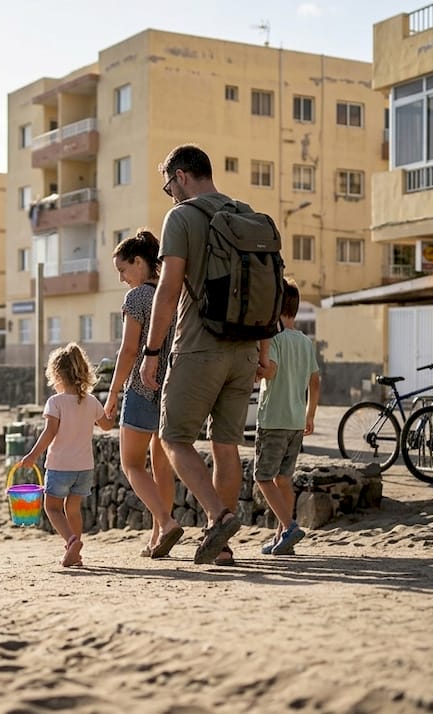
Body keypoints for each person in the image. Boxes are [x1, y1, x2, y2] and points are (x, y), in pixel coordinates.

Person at [139, 144, 265, 565]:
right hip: (245, 348)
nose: (169, 194)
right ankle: (221, 547)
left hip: (199, 345)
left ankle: (219, 516)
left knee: (173, 438)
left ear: (181, 176)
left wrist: (152, 351)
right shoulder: (245, 212)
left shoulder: (182, 216)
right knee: (225, 445)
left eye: (168, 186)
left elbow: (168, 288)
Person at [103, 229, 184, 559]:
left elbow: (128, 350)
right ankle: (156, 537)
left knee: (132, 464)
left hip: (141, 388)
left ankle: (165, 522)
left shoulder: (137, 298)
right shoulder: (173, 294)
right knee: (161, 467)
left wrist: (112, 393)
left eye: (123, 270)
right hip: (172, 389)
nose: (121, 279)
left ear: (139, 262)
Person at [19, 343, 116, 568]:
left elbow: (50, 432)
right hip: (84, 468)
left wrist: (32, 455)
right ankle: (75, 553)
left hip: (60, 466)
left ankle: (71, 541)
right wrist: (112, 412)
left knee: (52, 508)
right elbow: (106, 426)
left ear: (57, 375)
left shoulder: (56, 402)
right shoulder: (91, 401)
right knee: (72, 509)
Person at [254, 279, 320, 556]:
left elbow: (270, 371)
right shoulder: (305, 342)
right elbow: (315, 381)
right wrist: (310, 415)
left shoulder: (274, 339)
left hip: (273, 419)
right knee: (284, 479)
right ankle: (283, 537)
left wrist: (256, 369)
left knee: (262, 477)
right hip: (295, 421)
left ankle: (289, 526)